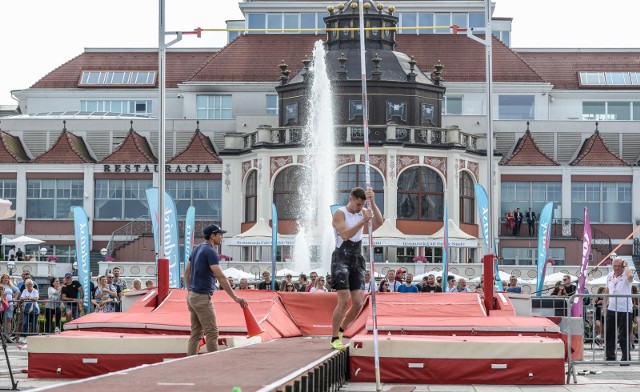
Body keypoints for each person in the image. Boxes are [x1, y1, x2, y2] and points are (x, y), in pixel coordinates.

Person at [330, 187, 383, 351]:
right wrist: (363, 221)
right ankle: (333, 338)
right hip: (341, 257)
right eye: (358, 204)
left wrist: (372, 203)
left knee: (358, 302)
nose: (360, 208)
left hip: (357, 257)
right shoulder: (340, 213)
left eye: (362, 205)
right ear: (351, 199)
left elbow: (380, 223)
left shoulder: (365, 211)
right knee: (344, 299)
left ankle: (341, 330)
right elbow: (345, 235)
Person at [184, 224, 247, 356]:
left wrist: (189, 291)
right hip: (202, 297)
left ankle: (189, 362)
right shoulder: (211, 251)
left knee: (196, 333)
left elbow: (186, 273)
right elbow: (221, 277)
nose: (222, 237)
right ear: (213, 236)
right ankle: (214, 364)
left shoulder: (197, 249)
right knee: (212, 332)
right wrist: (235, 298)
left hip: (192, 296)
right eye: (220, 234)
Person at [604, 257, 634, 364]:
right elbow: (607, 291)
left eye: (619, 266)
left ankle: (626, 357)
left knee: (623, 335)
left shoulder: (626, 274)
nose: (616, 268)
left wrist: (626, 266)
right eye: (614, 266)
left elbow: (630, 277)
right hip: (612, 308)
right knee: (609, 334)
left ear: (622, 266)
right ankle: (610, 356)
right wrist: (604, 306)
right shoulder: (609, 275)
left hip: (625, 309)